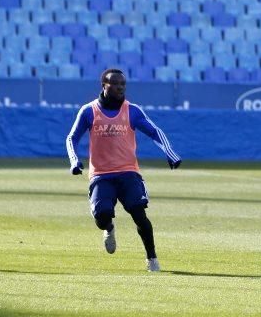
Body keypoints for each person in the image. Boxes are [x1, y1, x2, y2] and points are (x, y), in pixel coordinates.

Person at [66, 69, 181, 272]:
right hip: (101, 175)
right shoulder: (89, 111)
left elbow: (155, 131)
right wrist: (74, 161)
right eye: (115, 84)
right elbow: (72, 138)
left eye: (123, 85)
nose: (120, 88)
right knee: (101, 217)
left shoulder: (132, 111)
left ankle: (152, 259)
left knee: (139, 214)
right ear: (104, 85)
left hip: (129, 172)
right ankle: (109, 228)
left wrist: (170, 153)